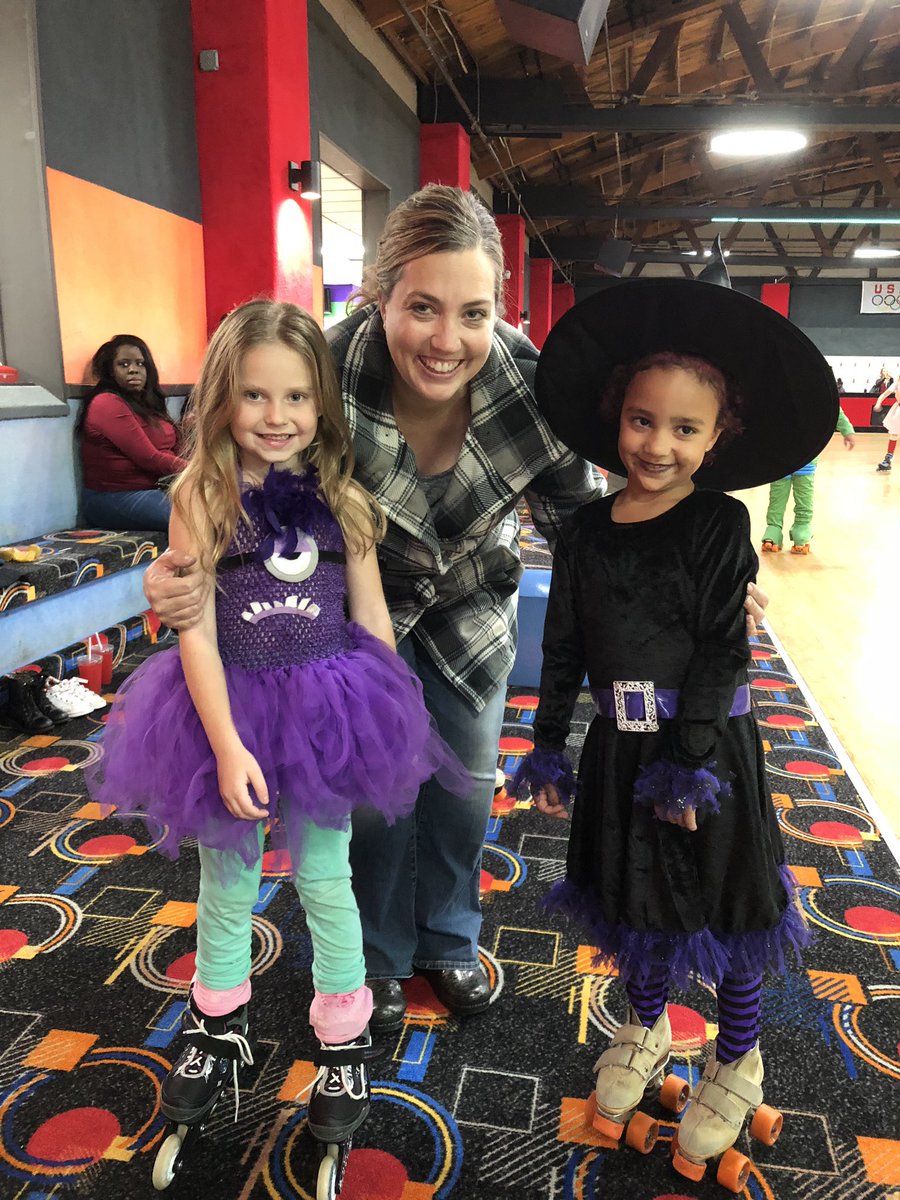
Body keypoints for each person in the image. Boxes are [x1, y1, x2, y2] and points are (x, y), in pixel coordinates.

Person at [139, 185, 769, 1034]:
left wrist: (697, 580)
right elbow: (237, 486)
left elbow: (587, 516)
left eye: (472, 312)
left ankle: (450, 937)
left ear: (499, 310)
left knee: (468, 788)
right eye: (421, 308)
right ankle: (383, 955)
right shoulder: (323, 371)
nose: (446, 340)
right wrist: (174, 580)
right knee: (372, 802)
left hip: (473, 608)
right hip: (347, 626)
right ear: (380, 296)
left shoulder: (530, 384)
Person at [86, 300, 469, 1149]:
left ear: (320, 407)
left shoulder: (346, 499)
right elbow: (197, 633)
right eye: (256, 397)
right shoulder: (201, 496)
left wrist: (384, 718)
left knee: (326, 877)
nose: (277, 418)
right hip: (228, 709)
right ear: (223, 398)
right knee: (228, 876)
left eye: (297, 398)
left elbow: (372, 623)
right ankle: (218, 1013)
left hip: (328, 711)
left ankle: (343, 1022)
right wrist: (225, 746)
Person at [513, 278, 835, 1185]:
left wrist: (688, 771)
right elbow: (565, 644)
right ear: (618, 417)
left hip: (704, 751)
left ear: (717, 436)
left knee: (724, 905)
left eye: (684, 429)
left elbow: (720, 656)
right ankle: (645, 1027)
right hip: (620, 749)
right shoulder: (581, 532)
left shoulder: (721, 525)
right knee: (636, 901)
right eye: (643, 421)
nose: (659, 444)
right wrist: (549, 743)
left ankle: (739, 1056)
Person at [78, 335, 186, 531]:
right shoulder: (107, 403)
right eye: (124, 364)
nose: (133, 369)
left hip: (156, 489)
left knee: (227, 506)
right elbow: (150, 458)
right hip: (113, 497)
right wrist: (199, 472)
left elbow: (175, 447)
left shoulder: (149, 404)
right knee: (195, 518)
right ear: (110, 370)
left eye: (140, 363)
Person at [761, 408, 855, 554]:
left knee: (797, 497)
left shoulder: (815, 391)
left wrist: (847, 431)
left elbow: (834, 410)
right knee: (784, 497)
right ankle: (779, 530)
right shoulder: (782, 390)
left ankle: (797, 529)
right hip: (784, 456)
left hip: (800, 455)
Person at [873, 373, 899, 471]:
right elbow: (884, 395)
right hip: (899, 410)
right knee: (894, 434)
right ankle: (888, 459)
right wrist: (878, 403)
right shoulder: (897, 383)